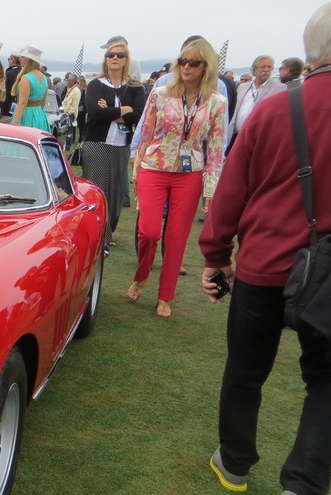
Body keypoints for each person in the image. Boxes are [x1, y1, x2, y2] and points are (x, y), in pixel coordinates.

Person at [200, 2, 331, 495]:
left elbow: (233, 189)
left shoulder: (276, 109)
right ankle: (303, 486)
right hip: (327, 275)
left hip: (263, 263)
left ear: (309, 52)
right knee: (326, 381)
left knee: (247, 367)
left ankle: (233, 461)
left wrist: (215, 255)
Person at [130, 38, 226, 317]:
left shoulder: (217, 102)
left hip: (190, 173)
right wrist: (136, 168)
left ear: (205, 66)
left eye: (193, 62)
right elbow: (145, 134)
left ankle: (165, 295)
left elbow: (217, 150)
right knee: (148, 232)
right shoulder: (160, 93)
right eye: (182, 61)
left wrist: (210, 190)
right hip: (154, 167)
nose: (186, 67)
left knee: (176, 237)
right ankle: (142, 274)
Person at [81, 41, 145, 247]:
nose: (114, 58)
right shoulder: (96, 84)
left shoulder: (135, 87)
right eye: (110, 55)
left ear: (126, 60)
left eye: (119, 55)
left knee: (116, 193)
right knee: (98, 189)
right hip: (96, 143)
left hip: (121, 145)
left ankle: (109, 232)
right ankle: (96, 234)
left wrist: (111, 111)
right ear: (105, 60)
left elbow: (139, 115)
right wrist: (124, 110)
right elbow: (95, 112)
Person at [227, 55, 286, 151]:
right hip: (235, 137)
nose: (266, 70)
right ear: (254, 71)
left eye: (269, 67)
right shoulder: (243, 86)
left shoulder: (280, 88)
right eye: (263, 67)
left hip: (258, 140)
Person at [10, 46, 51, 133]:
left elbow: (22, 103)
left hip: (26, 115)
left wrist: (13, 124)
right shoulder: (44, 78)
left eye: (23, 57)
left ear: (28, 60)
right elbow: (43, 102)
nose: (20, 59)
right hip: (40, 114)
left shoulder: (26, 78)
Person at [59, 72, 81, 150]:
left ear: (73, 81)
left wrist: (70, 113)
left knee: (70, 131)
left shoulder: (76, 91)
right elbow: (66, 101)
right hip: (65, 112)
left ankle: (68, 146)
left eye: (69, 80)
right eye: (67, 80)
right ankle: (65, 145)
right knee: (66, 131)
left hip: (70, 114)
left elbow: (74, 105)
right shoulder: (70, 90)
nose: (67, 82)